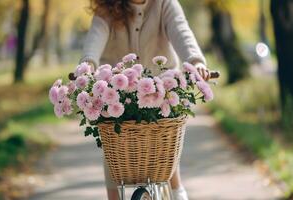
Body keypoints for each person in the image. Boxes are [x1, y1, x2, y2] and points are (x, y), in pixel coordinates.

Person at [80, 0, 210, 199]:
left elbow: (181, 30)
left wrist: (195, 61)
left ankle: (177, 190)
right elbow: (95, 37)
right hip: (118, 91)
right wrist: (88, 64)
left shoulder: (165, 4)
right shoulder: (108, 7)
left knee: (164, 133)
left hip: (160, 87)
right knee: (113, 138)